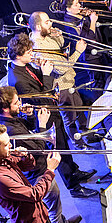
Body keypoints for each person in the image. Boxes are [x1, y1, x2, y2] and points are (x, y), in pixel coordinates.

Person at [0, 86, 89, 223]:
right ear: (5, 109)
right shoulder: (10, 130)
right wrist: (42, 124)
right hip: (38, 173)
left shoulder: (9, 119)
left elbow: (28, 131)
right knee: (53, 209)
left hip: (39, 168)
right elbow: (39, 148)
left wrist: (30, 116)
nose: (20, 104)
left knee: (55, 206)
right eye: (16, 103)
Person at [6, 33, 98, 199]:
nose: (32, 54)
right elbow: (42, 98)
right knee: (58, 151)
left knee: (65, 145)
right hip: (44, 117)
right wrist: (47, 74)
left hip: (52, 111)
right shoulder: (17, 79)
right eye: (28, 52)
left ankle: (75, 171)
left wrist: (40, 69)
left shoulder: (23, 66)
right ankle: (74, 187)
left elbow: (38, 83)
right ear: (18, 56)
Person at [28, 11, 95, 149]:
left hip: (69, 80)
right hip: (61, 87)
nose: (51, 23)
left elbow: (61, 47)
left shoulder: (45, 35)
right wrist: (78, 52)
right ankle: (79, 144)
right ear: (39, 27)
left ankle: (87, 134)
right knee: (70, 118)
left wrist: (58, 36)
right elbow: (62, 68)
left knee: (80, 109)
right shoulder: (38, 48)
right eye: (47, 22)